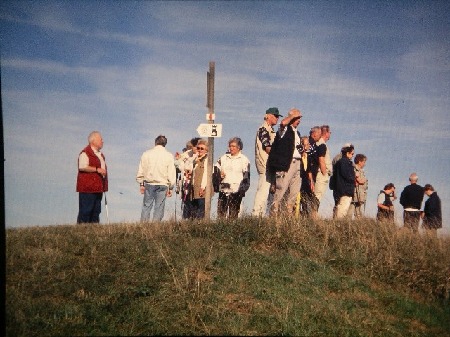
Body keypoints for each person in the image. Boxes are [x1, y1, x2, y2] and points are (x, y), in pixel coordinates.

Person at [267, 108, 303, 217]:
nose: (299, 120)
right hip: (287, 164)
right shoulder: (285, 129)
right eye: (297, 118)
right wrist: (292, 116)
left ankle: (288, 215)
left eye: (299, 118)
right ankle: (274, 214)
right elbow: (282, 123)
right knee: (281, 189)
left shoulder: (297, 133)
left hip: (297, 163)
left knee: (294, 192)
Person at [136, 135, 176, 222]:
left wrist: (141, 184)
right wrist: (171, 187)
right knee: (159, 207)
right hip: (163, 184)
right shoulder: (168, 155)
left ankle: (144, 225)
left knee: (147, 205)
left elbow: (141, 170)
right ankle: (156, 226)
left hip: (149, 183)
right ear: (165, 144)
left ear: (155, 142)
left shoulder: (146, 154)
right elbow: (171, 173)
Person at [252, 107, 282, 217]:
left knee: (266, 191)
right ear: (268, 116)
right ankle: (256, 215)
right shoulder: (263, 129)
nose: (277, 118)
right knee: (263, 190)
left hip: (269, 165)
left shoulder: (270, 130)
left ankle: (260, 214)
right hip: (265, 164)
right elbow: (267, 147)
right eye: (275, 116)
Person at [213, 137, 250, 219]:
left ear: (239, 147)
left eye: (233, 146)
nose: (231, 148)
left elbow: (246, 176)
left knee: (233, 215)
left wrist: (242, 190)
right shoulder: (223, 158)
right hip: (223, 189)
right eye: (230, 146)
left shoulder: (244, 159)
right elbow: (215, 169)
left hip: (236, 190)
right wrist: (219, 175)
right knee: (221, 214)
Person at [76, 131, 108, 224]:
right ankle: (81, 231)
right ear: (93, 141)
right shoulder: (85, 153)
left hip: (98, 188)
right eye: (100, 139)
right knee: (86, 210)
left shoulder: (100, 154)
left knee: (96, 211)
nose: (102, 141)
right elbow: (82, 166)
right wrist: (97, 169)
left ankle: (94, 232)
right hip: (87, 188)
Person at [175, 137, 201, 219]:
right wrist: (180, 163)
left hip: (197, 182)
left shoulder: (202, 155)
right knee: (186, 201)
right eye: (193, 146)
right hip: (186, 182)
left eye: (196, 146)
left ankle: (194, 219)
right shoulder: (186, 154)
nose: (194, 148)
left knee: (195, 202)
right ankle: (186, 219)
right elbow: (178, 164)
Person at [186, 139, 209, 219]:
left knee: (201, 211)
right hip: (194, 188)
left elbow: (207, 174)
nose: (199, 150)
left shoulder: (207, 160)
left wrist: (203, 187)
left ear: (206, 150)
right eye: (198, 148)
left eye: (202, 148)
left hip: (202, 189)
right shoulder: (195, 160)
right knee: (194, 211)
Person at [333, 144, 355, 219]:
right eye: (352, 154)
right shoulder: (345, 162)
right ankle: (338, 225)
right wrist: (354, 178)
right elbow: (346, 175)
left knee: (340, 208)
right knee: (342, 209)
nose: (352, 156)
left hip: (341, 189)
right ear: (347, 153)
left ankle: (336, 224)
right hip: (346, 190)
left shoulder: (340, 162)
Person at [314, 125, 332, 202]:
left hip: (322, 173)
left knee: (318, 196)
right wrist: (324, 173)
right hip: (321, 174)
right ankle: (313, 213)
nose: (330, 134)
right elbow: (321, 160)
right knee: (317, 196)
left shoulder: (321, 143)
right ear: (326, 133)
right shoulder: (321, 144)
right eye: (330, 132)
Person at [347, 154, 368, 219]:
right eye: (364, 162)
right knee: (350, 212)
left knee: (358, 213)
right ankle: (347, 225)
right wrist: (363, 180)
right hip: (354, 194)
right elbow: (359, 180)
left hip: (360, 195)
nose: (365, 164)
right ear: (359, 161)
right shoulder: (353, 168)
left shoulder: (361, 171)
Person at [307, 126, 322, 218]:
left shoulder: (314, 144)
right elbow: (309, 160)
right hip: (309, 174)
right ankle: (307, 215)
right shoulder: (310, 144)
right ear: (314, 133)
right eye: (319, 134)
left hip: (311, 174)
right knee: (308, 195)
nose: (320, 136)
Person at [299, 136, 315, 218]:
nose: (308, 146)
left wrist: (311, 182)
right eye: (306, 144)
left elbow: (309, 171)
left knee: (305, 200)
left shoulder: (308, 157)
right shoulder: (298, 156)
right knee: (297, 201)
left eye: (308, 144)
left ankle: (305, 217)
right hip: (298, 180)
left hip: (305, 181)